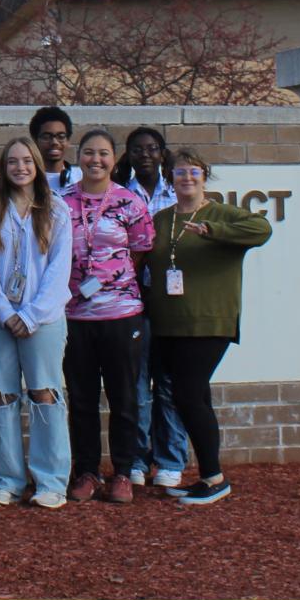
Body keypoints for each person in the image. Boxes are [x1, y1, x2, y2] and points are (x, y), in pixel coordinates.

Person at [142, 148, 271, 506]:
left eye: (194, 172)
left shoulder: (221, 213)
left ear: (205, 176)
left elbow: (262, 229)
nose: (186, 178)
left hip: (209, 321)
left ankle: (214, 478)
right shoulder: (160, 219)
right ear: (170, 177)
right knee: (194, 396)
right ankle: (207, 477)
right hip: (169, 323)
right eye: (180, 172)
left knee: (186, 394)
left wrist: (213, 231)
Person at [0, 136, 73, 508]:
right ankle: (6, 480)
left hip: (43, 319)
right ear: (3, 168)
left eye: (26, 161)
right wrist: (5, 312)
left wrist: (29, 315)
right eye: (12, 161)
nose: (20, 167)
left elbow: (59, 270)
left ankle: (50, 481)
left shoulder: (57, 211)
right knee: (1, 396)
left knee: (45, 394)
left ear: (37, 165)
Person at [63, 128, 155, 504]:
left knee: (123, 398)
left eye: (103, 154)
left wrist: (109, 279)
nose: (95, 160)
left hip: (121, 314)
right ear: (79, 157)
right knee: (82, 398)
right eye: (88, 153)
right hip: (74, 317)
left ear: (114, 160)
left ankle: (122, 472)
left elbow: (140, 250)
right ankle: (86, 471)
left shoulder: (130, 203)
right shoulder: (60, 202)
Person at [115, 124, 187, 492]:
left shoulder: (177, 194)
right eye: (137, 149)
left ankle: (172, 459)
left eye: (152, 148)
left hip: (172, 302)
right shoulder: (118, 195)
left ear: (162, 153)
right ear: (127, 155)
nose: (145, 154)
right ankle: (138, 459)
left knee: (170, 384)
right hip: (133, 303)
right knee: (138, 384)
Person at [29, 106, 80, 197]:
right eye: (46, 137)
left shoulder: (81, 177)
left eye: (61, 136)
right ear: (35, 140)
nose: (54, 142)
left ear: (68, 140)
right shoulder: (25, 178)